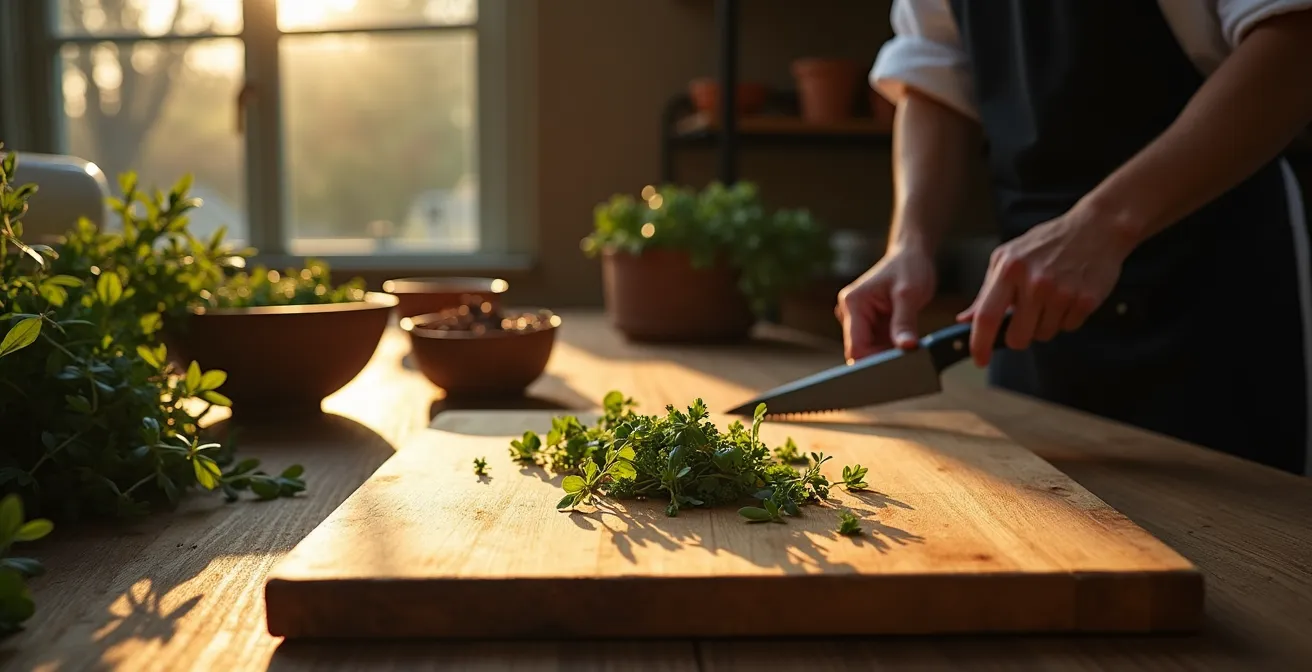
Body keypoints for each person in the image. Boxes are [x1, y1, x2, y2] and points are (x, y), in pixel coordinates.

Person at [837, 0, 1312, 475]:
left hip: (1212, 302)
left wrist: (1102, 225)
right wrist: (910, 244)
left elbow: (1294, 42)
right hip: (1025, 316)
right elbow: (933, 77)